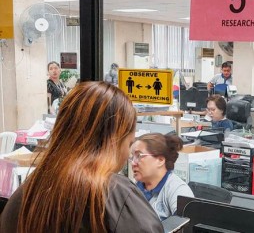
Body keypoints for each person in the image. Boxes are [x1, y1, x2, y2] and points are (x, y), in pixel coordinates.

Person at [0, 82, 163, 232]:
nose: (128, 155)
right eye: (129, 144)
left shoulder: (25, 195)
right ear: (113, 141)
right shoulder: (116, 195)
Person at [131, 133, 194, 221]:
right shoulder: (134, 188)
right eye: (132, 157)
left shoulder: (178, 190)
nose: (133, 163)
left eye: (139, 156)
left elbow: (185, 227)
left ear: (160, 160)